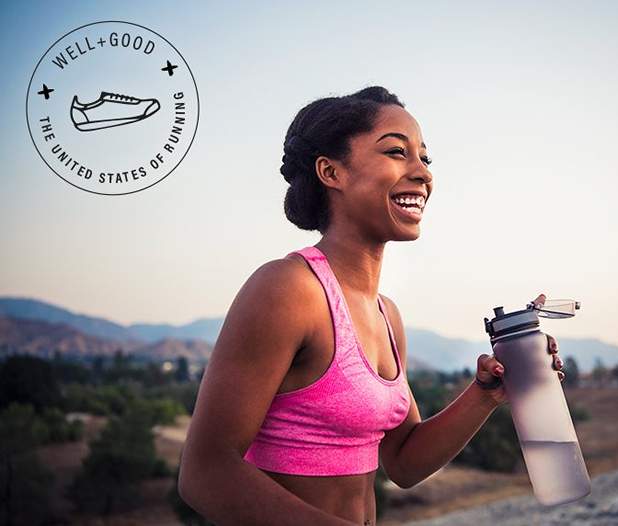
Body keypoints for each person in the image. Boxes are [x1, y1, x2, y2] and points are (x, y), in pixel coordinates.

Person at [178, 86, 565, 525]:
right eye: (397, 152)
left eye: (425, 158)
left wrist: (486, 393)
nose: (422, 173)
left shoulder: (387, 315)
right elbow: (205, 473)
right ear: (331, 172)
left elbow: (403, 462)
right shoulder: (288, 290)